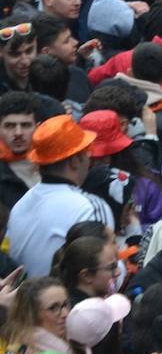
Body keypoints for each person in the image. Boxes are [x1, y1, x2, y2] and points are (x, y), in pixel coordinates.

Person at [8, 115, 113, 276]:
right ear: (75, 161)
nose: (89, 157)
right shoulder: (89, 206)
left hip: (25, 299)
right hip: (67, 300)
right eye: (86, 151)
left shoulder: (19, 206)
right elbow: (107, 276)